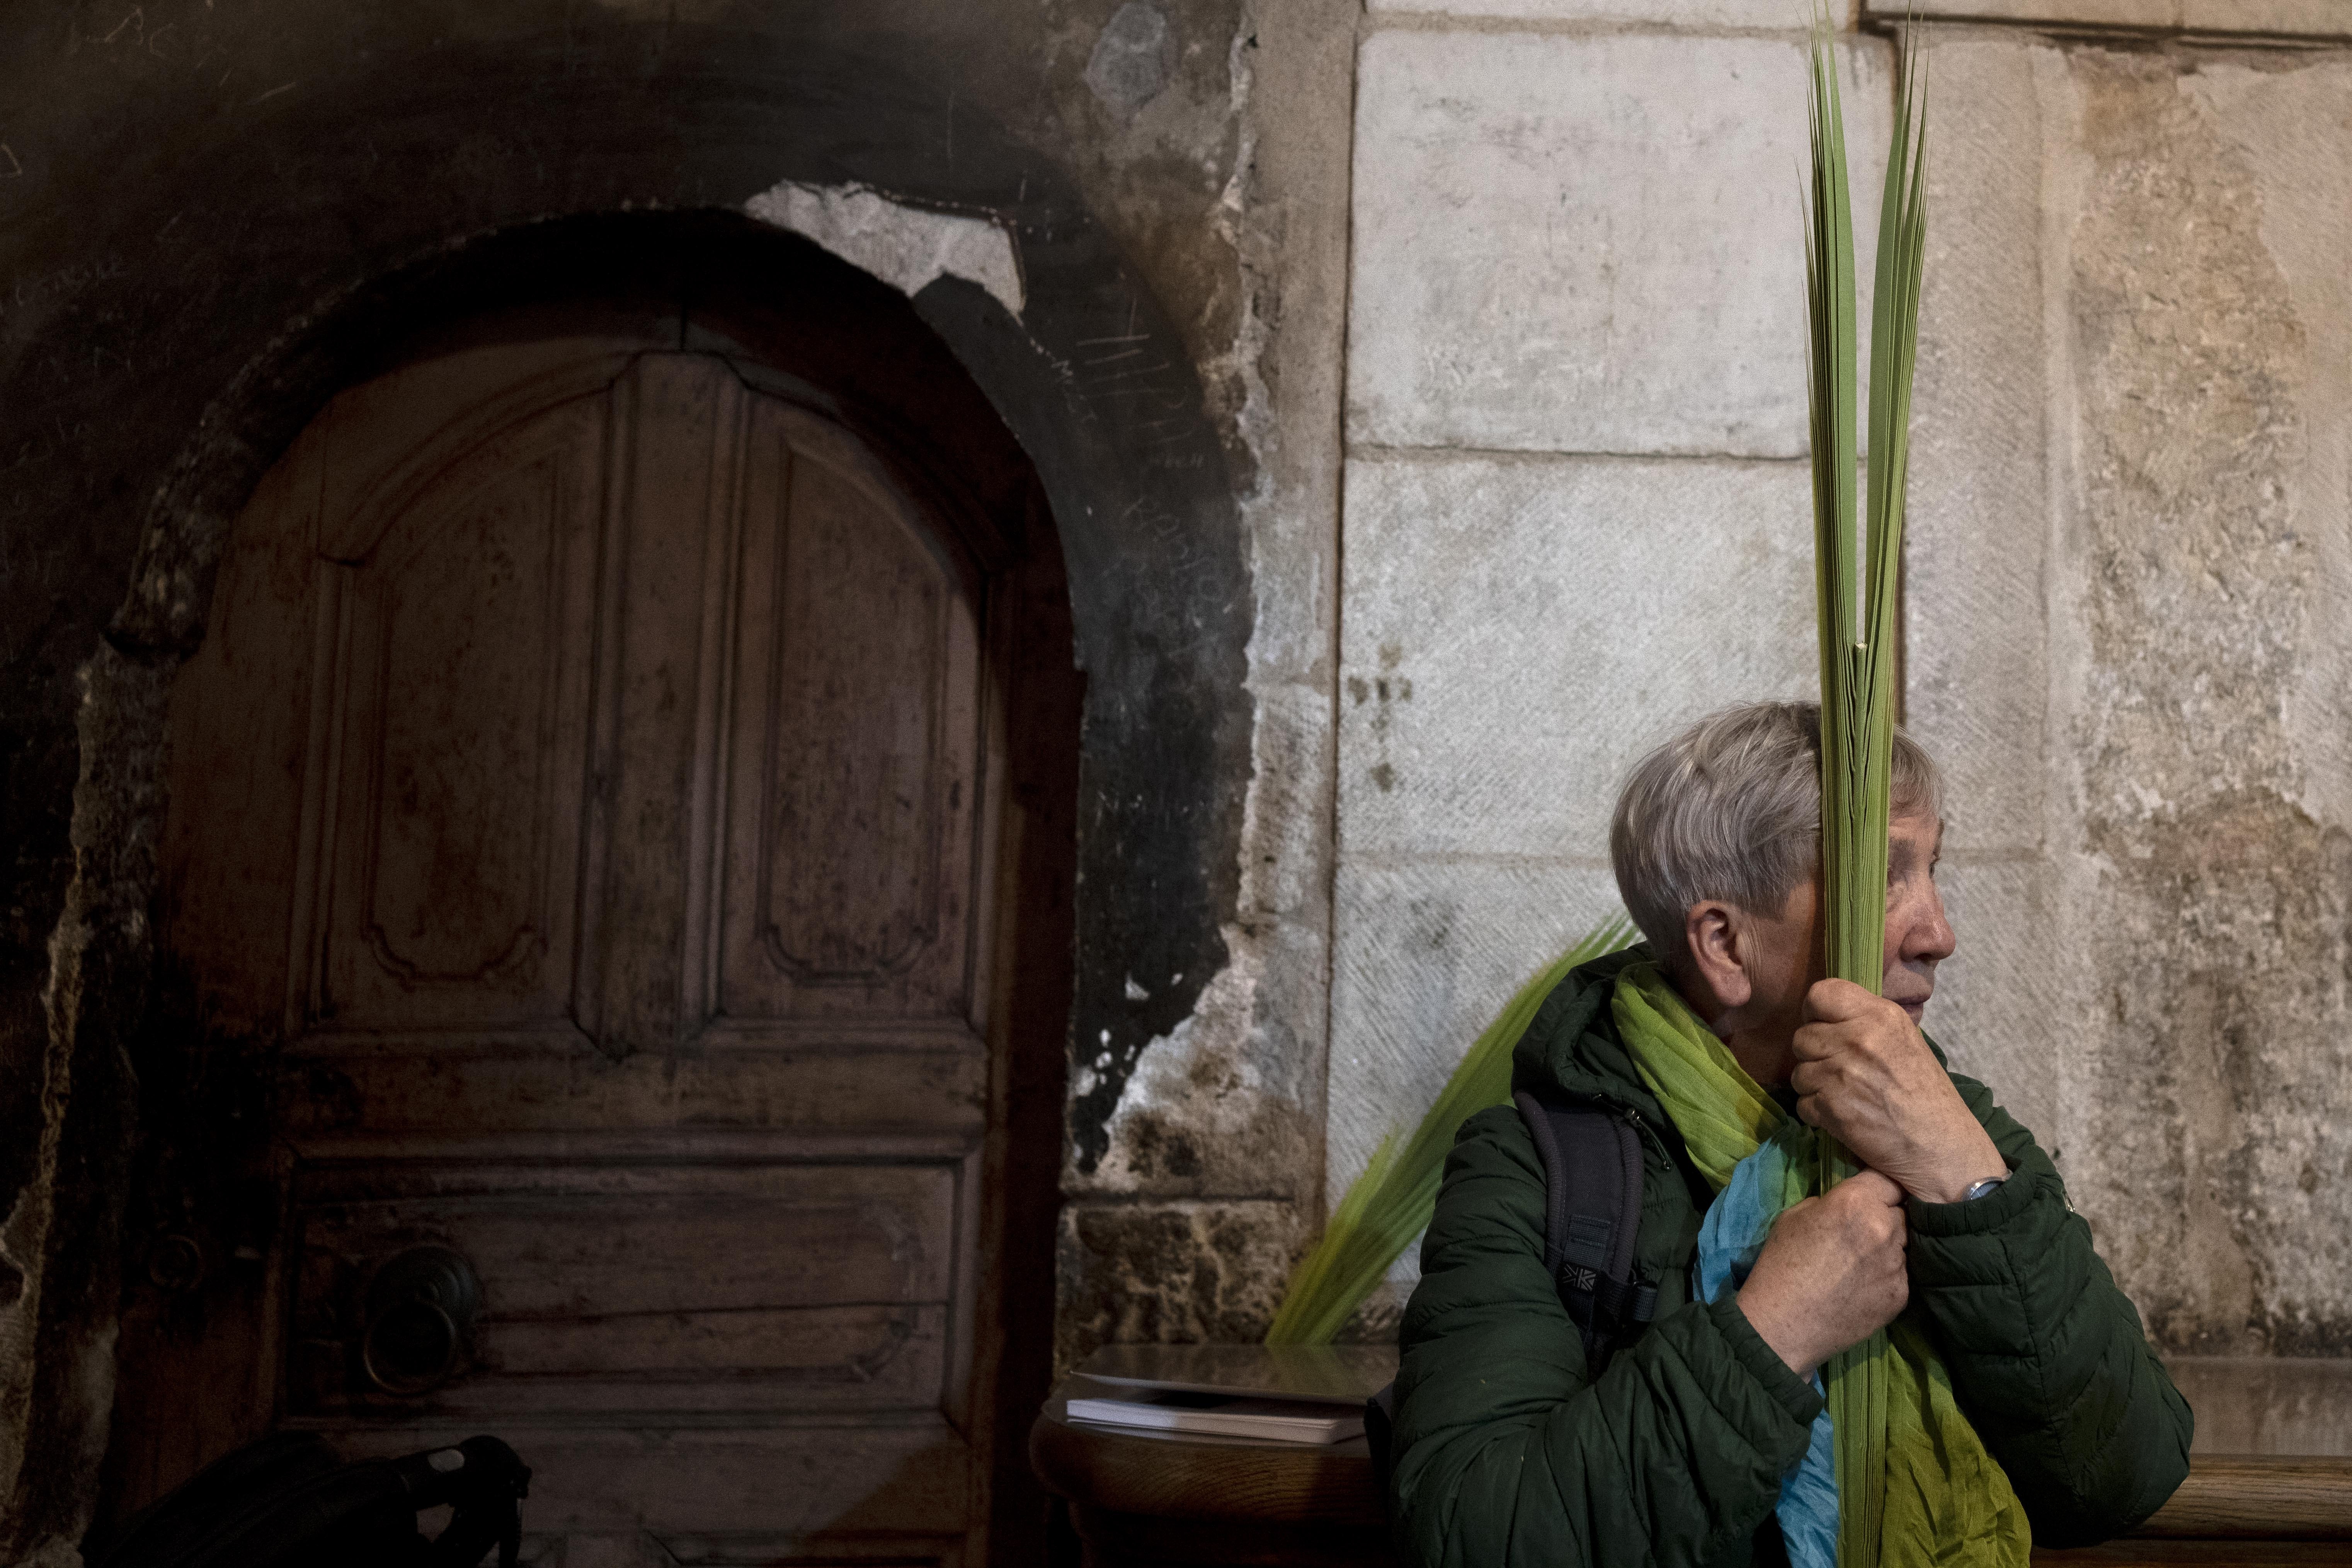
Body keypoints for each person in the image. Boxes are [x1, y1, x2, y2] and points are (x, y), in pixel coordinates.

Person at [1387, 701, 2192, 1568]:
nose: (1939, 933)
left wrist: (1963, 1182)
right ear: (1726, 945)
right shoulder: (1535, 1172)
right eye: (1885, 878)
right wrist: (1774, 1330)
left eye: (1933, 869)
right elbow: (1482, 1534)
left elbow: (2126, 1473)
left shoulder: (1953, 1127)